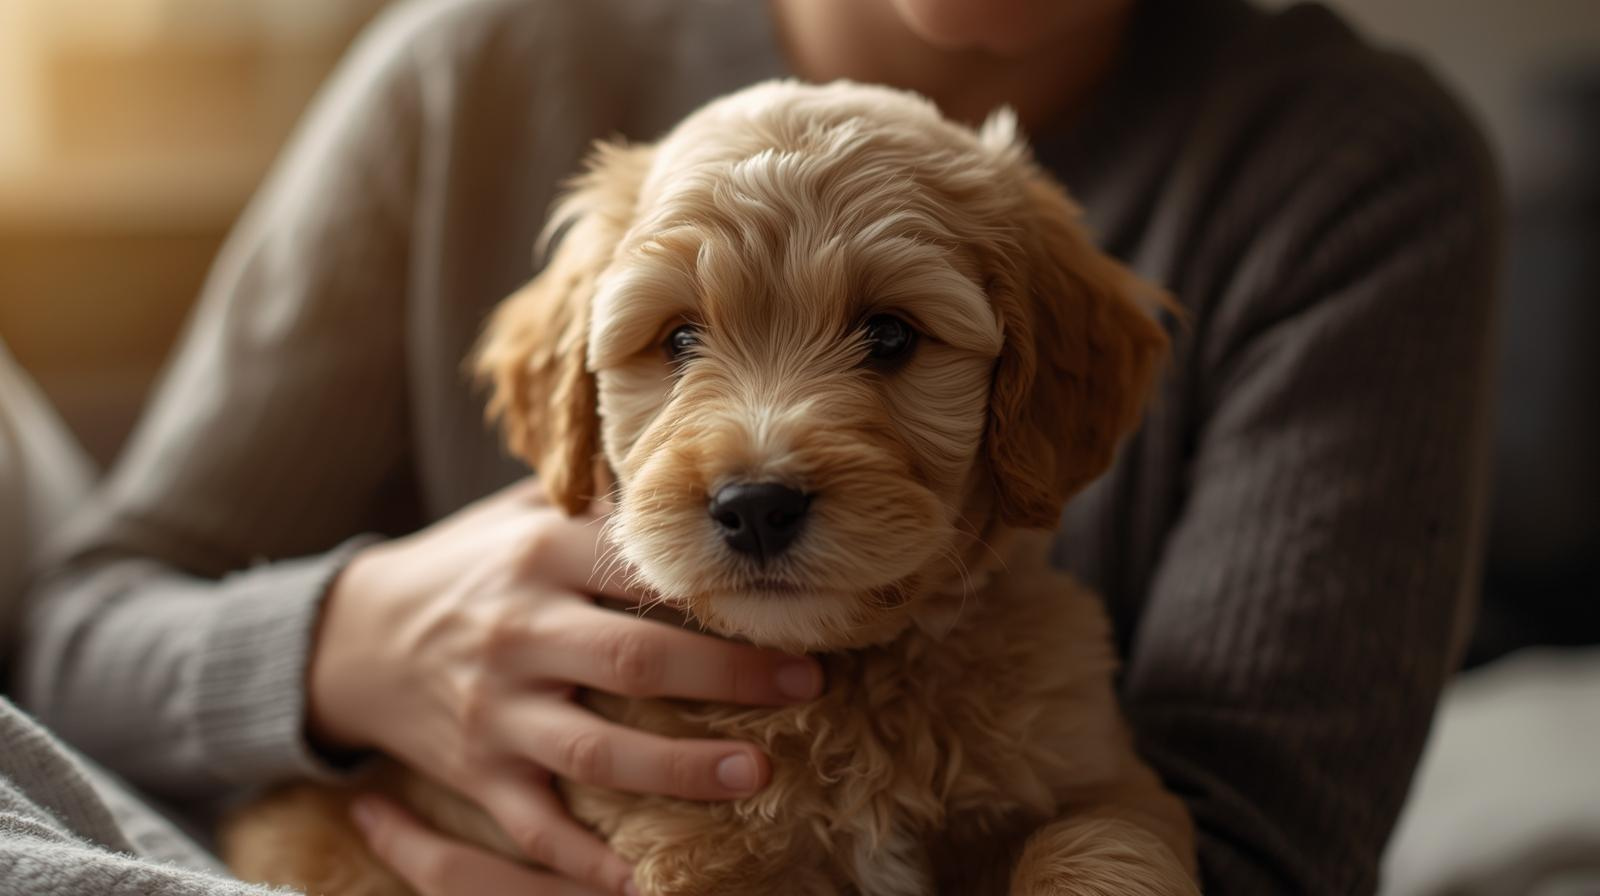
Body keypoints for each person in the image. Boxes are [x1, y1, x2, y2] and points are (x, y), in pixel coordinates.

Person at [7, 0, 1500, 893]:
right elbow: (70, 643)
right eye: (673, 343)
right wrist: (343, 642)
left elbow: (1251, 850)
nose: (768, 453)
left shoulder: (1348, 172)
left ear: (1046, 385)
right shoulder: (478, 62)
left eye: (894, 342)